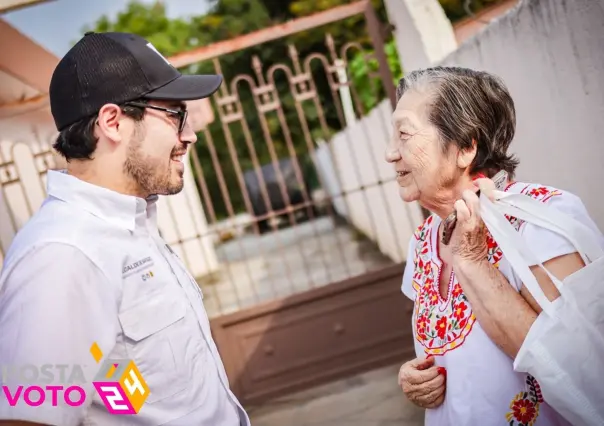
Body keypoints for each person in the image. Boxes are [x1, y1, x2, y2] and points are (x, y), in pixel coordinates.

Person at [0, 32, 250, 426]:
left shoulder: (128, 226)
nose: (190, 134)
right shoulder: (61, 255)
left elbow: (126, 389)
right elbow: (27, 420)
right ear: (113, 122)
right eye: (175, 115)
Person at [387, 66, 604, 425]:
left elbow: (577, 369)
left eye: (404, 135)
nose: (390, 154)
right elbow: (455, 359)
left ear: (465, 147)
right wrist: (413, 378)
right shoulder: (422, 243)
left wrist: (473, 262)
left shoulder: (541, 220)